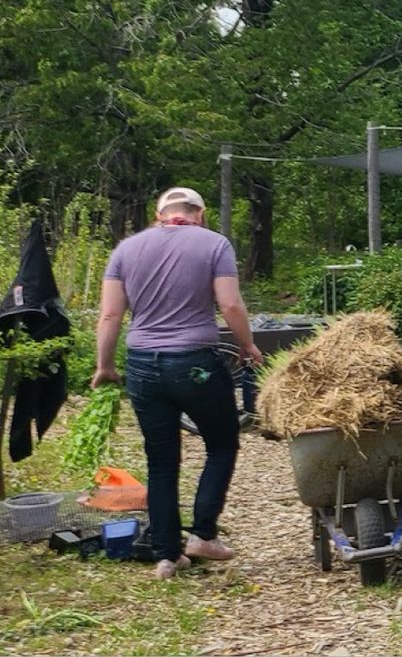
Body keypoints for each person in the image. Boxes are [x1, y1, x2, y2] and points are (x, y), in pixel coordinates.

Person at [92, 187, 264, 580]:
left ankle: (167, 556)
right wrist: (247, 344)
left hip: (142, 367)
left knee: (161, 459)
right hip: (195, 364)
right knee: (221, 443)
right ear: (199, 214)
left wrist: (104, 366)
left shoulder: (126, 249)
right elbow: (231, 304)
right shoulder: (214, 244)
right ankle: (203, 534)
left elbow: (110, 315)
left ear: (159, 214)